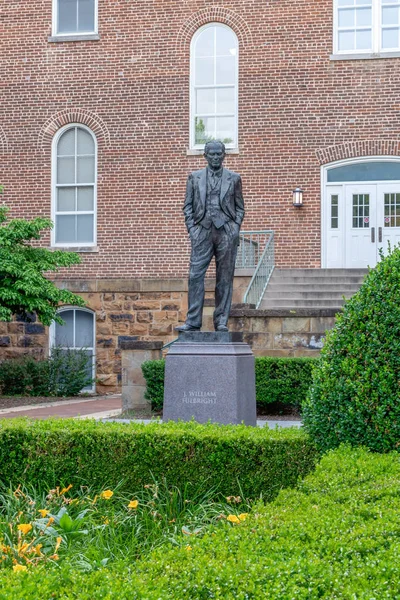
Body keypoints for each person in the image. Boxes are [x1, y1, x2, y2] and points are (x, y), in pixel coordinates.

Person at [176, 140, 245, 332]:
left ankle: (221, 321)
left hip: (226, 232)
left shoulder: (234, 178)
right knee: (195, 275)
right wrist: (192, 229)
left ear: (224, 155)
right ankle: (193, 321)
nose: (215, 157)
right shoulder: (194, 177)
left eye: (219, 154)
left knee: (224, 278)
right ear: (205, 156)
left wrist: (234, 229)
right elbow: (187, 206)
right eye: (212, 154)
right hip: (202, 231)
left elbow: (240, 208)